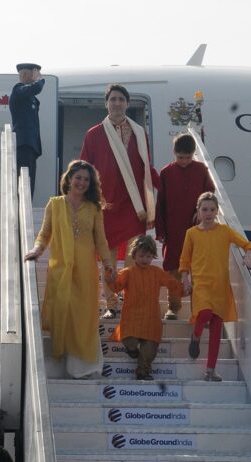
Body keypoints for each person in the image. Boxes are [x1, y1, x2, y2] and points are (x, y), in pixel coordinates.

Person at [24, 160, 114, 378]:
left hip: (85, 270)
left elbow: (101, 240)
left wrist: (109, 264)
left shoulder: (93, 208)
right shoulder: (55, 204)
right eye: (78, 178)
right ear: (69, 179)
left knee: (83, 317)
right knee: (63, 313)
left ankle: (82, 368)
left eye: (86, 179)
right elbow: (45, 234)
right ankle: (63, 364)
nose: (81, 182)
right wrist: (36, 250)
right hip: (60, 269)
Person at [80, 84, 159, 320]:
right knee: (108, 259)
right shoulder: (94, 134)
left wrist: (164, 186)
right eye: (112, 99)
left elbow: (146, 168)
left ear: (127, 103)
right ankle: (112, 304)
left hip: (135, 207)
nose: (116, 103)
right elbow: (84, 168)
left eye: (121, 99)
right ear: (106, 103)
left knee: (135, 258)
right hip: (107, 206)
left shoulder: (138, 133)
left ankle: (133, 299)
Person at [179, 192, 251, 381]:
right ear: (198, 210)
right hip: (202, 285)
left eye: (212, 209)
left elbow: (248, 244)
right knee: (203, 313)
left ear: (217, 211)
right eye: (204, 209)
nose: (208, 213)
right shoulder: (192, 233)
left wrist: (247, 256)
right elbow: (184, 260)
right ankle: (195, 337)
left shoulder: (225, 231)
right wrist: (185, 279)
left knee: (215, 330)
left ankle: (210, 370)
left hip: (221, 287)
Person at [155, 133, 215, 320]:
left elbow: (209, 192)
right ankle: (173, 307)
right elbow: (161, 203)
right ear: (174, 153)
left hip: (195, 227)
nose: (184, 161)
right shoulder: (166, 172)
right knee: (173, 268)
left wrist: (202, 211)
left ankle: (199, 309)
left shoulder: (201, 169)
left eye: (188, 157)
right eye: (180, 157)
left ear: (193, 154)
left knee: (197, 269)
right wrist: (160, 230)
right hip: (173, 229)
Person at [105, 235, 182, 380]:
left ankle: (143, 371)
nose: (145, 259)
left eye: (148, 256)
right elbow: (116, 286)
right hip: (132, 316)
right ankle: (132, 350)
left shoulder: (157, 272)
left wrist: (185, 289)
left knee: (150, 348)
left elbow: (172, 283)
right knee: (129, 340)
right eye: (141, 256)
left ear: (153, 256)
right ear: (134, 255)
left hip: (151, 318)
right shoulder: (128, 272)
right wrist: (110, 276)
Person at [9, 62, 45, 197]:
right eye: (34, 73)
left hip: (31, 146)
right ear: (24, 74)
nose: (37, 76)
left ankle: (25, 209)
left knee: (29, 185)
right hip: (23, 144)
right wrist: (40, 80)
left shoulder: (29, 97)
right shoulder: (18, 90)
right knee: (23, 183)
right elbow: (36, 88)